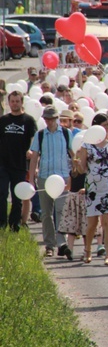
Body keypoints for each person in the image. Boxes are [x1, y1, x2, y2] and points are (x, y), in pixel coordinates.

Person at [29, 106, 74, 259]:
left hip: (62, 178)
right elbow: (34, 157)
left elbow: (73, 154)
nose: (49, 121)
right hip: (44, 177)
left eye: (51, 118)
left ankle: (61, 243)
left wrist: (73, 174)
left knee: (61, 212)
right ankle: (49, 245)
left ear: (56, 118)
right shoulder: (40, 135)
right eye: (46, 119)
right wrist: (31, 179)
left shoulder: (66, 134)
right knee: (46, 213)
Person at [77, 113, 108, 265]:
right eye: (104, 125)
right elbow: (82, 170)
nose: (107, 128)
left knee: (107, 221)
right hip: (93, 187)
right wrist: (77, 163)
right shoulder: (87, 144)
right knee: (92, 223)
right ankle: (87, 249)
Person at [0, 91, 38, 231]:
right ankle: (2, 223)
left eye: (17, 101)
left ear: (22, 102)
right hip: (3, 164)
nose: (15, 103)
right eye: (12, 101)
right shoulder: (3, 120)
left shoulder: (28, 120)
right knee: (2, 193)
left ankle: (14, 224)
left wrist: (31, 150)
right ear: (9, 103)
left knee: (17, 196)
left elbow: (34, 139)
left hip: (20, 164)